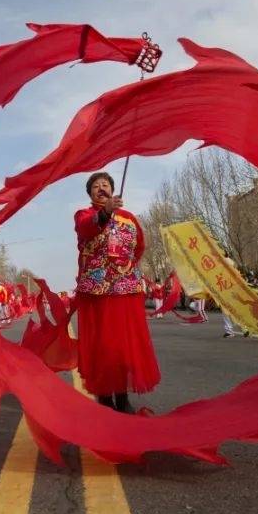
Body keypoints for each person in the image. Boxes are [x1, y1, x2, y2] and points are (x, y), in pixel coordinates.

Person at [74, 172, 160, 413]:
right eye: (96, 186)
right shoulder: (85, 215)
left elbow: (139, 246)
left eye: (105, 185)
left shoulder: (129, 218)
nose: (101, 188)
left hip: (126, 290)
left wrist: (125, 269)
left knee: (123, 347)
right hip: (98, 293)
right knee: (103, 346)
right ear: (90, 193)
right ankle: (104, 397)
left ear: (113, 190)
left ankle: (122, 397)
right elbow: (86, 230)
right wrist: (105, 212)